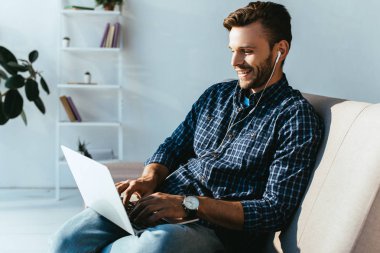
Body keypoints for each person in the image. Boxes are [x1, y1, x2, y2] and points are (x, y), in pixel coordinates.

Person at [50, 1, 323, 252]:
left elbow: (274, 209)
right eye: (233, 51)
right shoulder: (216, 95)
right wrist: (149, 179)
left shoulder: (295, 118)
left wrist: (188, 205)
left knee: (156, 246)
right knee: (66, 240)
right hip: (160, 202)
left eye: (247, 52)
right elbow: (172, 146)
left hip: (213, 229)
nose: (235, 62)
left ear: (280, 50)